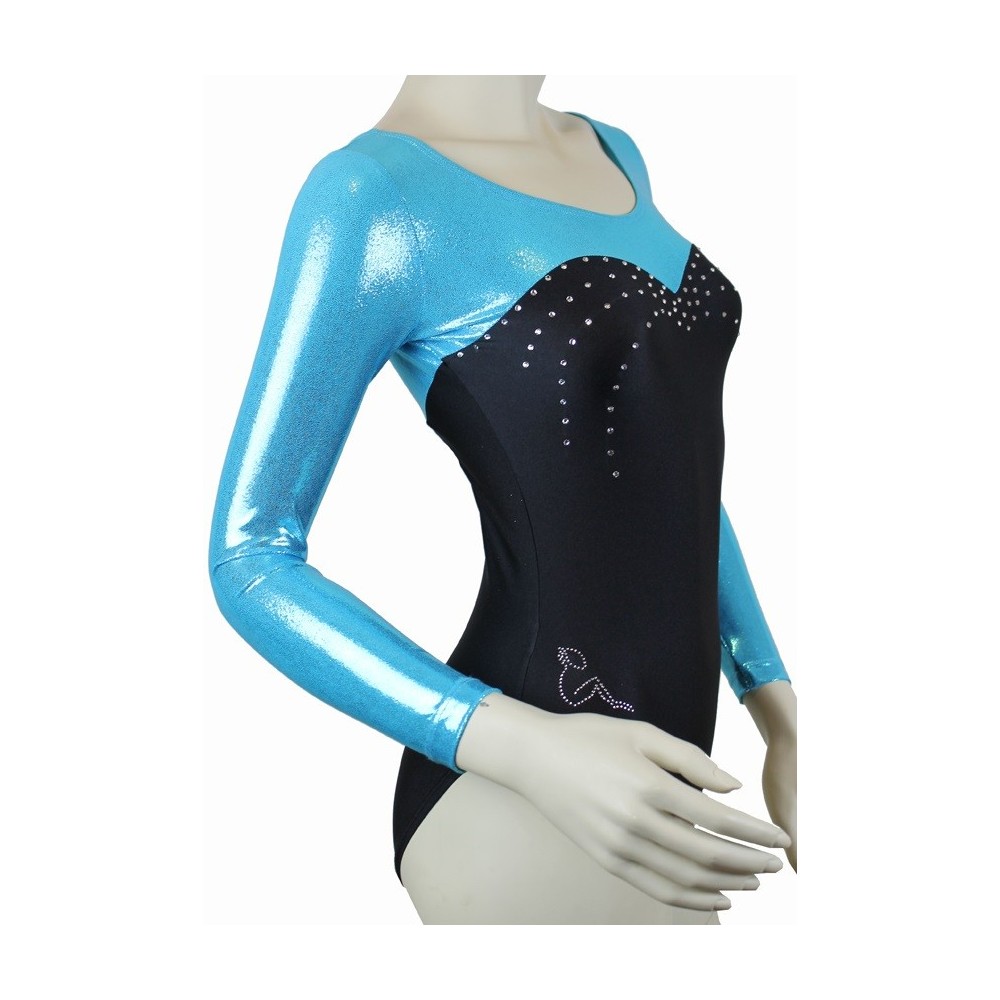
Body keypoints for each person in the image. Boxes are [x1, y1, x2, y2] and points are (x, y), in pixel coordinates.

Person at [208, 75, 797, 925]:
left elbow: (669, 479)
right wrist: (517, 744)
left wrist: (777, 704)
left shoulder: (614, 152)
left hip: (659, 789)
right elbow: (251, 556)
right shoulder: (373, 195)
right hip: (513, 799)